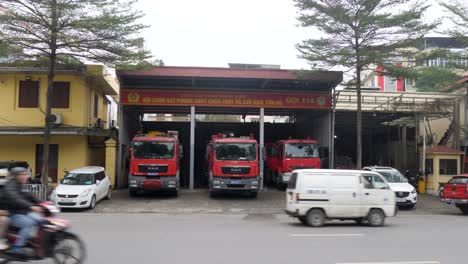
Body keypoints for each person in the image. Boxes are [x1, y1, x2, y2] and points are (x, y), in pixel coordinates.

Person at [3, 167, 43, 255]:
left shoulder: (21, 185)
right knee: (28, 223)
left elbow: (30, 195)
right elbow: (16, 199)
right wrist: (31, 206)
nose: (25, 176)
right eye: (22, 174)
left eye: (25, 174)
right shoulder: (10, 187)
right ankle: (17, 247)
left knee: (41, 220)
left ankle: (36, 242)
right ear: (15, 176)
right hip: (14, 213)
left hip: (24, 212)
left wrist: (43, 203)